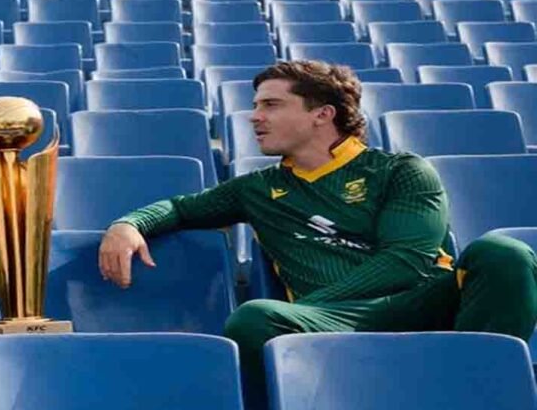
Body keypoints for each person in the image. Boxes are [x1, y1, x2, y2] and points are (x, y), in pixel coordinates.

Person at [99, 60, 537, 406]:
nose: (254, 117)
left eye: (271, 105)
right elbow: (180, 208)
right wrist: (128, 224)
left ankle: (480, 391)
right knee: (255, 317)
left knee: (504, 253)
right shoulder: (257, 188)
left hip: (421, 302)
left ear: (322, 114)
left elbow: (405, 262)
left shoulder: (401, 170)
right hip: (334, 321)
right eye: (256, 105)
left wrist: (310, 305)